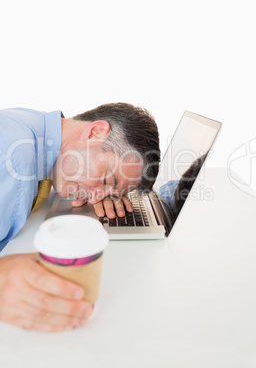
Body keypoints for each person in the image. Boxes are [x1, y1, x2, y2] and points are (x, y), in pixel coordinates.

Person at [0, 102, 160, 332]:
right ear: (95, 132)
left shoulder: (35, 133)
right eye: (107, 179)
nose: (96, 197)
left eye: (111, 194)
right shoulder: (13, 159)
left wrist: (102, 189)